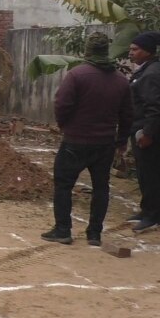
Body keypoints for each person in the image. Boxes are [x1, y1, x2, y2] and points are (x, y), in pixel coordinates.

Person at [42, 32, 133, 246]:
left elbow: (62, 104)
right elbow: (127, 114)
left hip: (76, 140)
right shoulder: (120, 80)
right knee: (101, 187)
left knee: (64, 184)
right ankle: (94, 234)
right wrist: (121, 141)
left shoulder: (77, 75)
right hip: (105, 144)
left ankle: (63, 230)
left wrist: (64, 125)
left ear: (88, 51)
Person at [126, 31, 160, 233]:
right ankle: (146, 209)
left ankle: (151, 215)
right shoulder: (146, 70)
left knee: (150, 174)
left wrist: (147, 134)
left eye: (135, 49)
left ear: (147, 51)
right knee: (144, 172)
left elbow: (154, 107)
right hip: (140, 128)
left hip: (147, 133)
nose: (131, 52)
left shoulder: (152, 74)